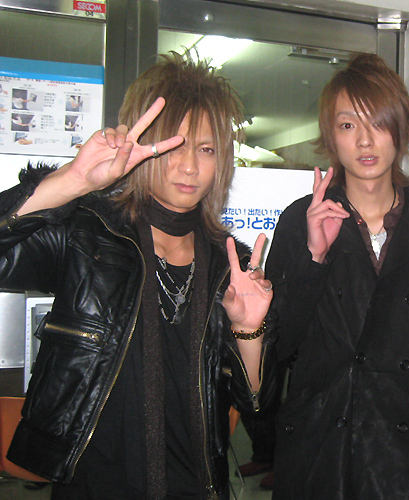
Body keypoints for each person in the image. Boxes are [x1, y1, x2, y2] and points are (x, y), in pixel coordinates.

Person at [0, 52, 275, 499]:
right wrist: (73, 181)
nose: (190, 166)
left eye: (206, 149)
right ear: (143, 145)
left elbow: (254, 402)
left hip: (198, 488)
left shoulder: (231, 263)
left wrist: (249, 331)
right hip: (93, 487)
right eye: (174, 146)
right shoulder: (89, 233)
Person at [265, 53, 409, 499]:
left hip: (405, 452)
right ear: (331, 137)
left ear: (400, 129)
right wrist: (314, 258)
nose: (365, 140)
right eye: (348, 124)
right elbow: (279, 345)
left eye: (378, 122)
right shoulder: (301, 220)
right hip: (319, 448)